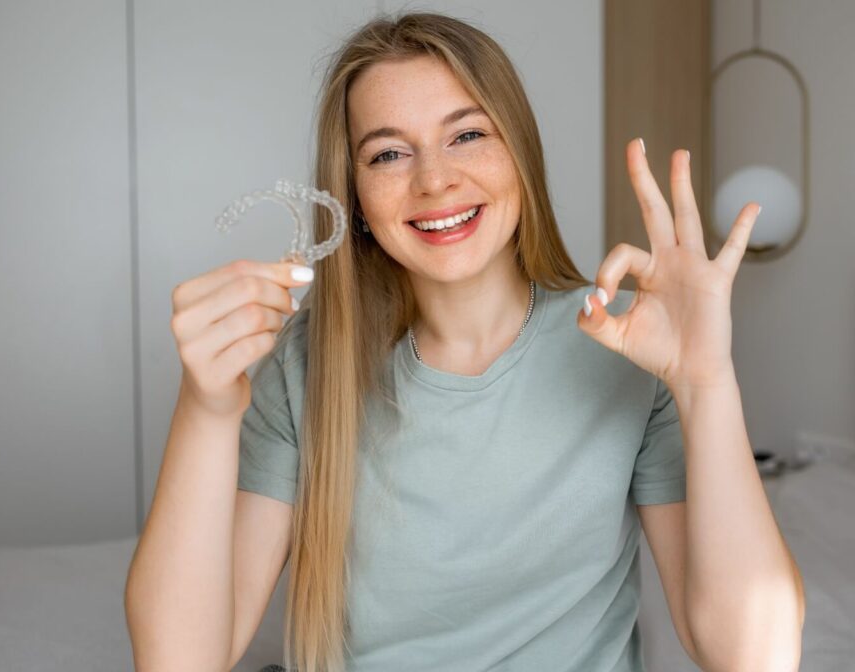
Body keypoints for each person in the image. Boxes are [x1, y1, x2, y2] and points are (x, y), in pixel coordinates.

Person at [124, 11, 805, 672]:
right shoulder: (305, 367)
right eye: (389, 153)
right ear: (355, 199)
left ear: (520, 152)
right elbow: (178, 660)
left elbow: (753, 656)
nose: (434, 179)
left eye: (468, 135)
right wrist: (205, 408)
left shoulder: (630, 347)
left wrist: (706, 385)